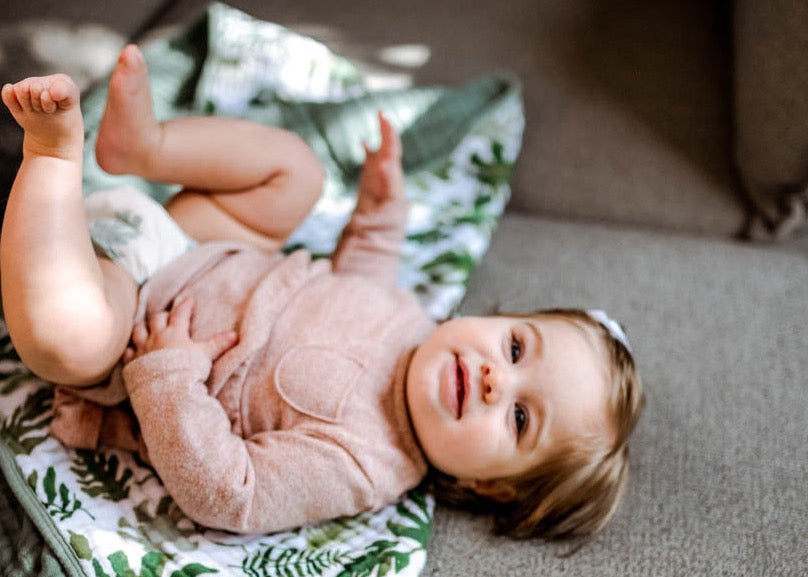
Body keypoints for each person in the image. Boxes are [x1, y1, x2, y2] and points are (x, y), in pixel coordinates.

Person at [0, 45, 643, 539]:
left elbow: (233, 494)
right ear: (501, 320)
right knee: (296, 174)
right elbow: (363, 264)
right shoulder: (412, 319)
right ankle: (144, 147)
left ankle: (52, 160)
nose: (494, 381)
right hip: (195, 241)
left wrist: (167, 374)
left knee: (67, 340)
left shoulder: (369, 462)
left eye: (520, 418)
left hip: (131, 324)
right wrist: (382, 209)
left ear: (489, 485)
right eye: (514, 348)